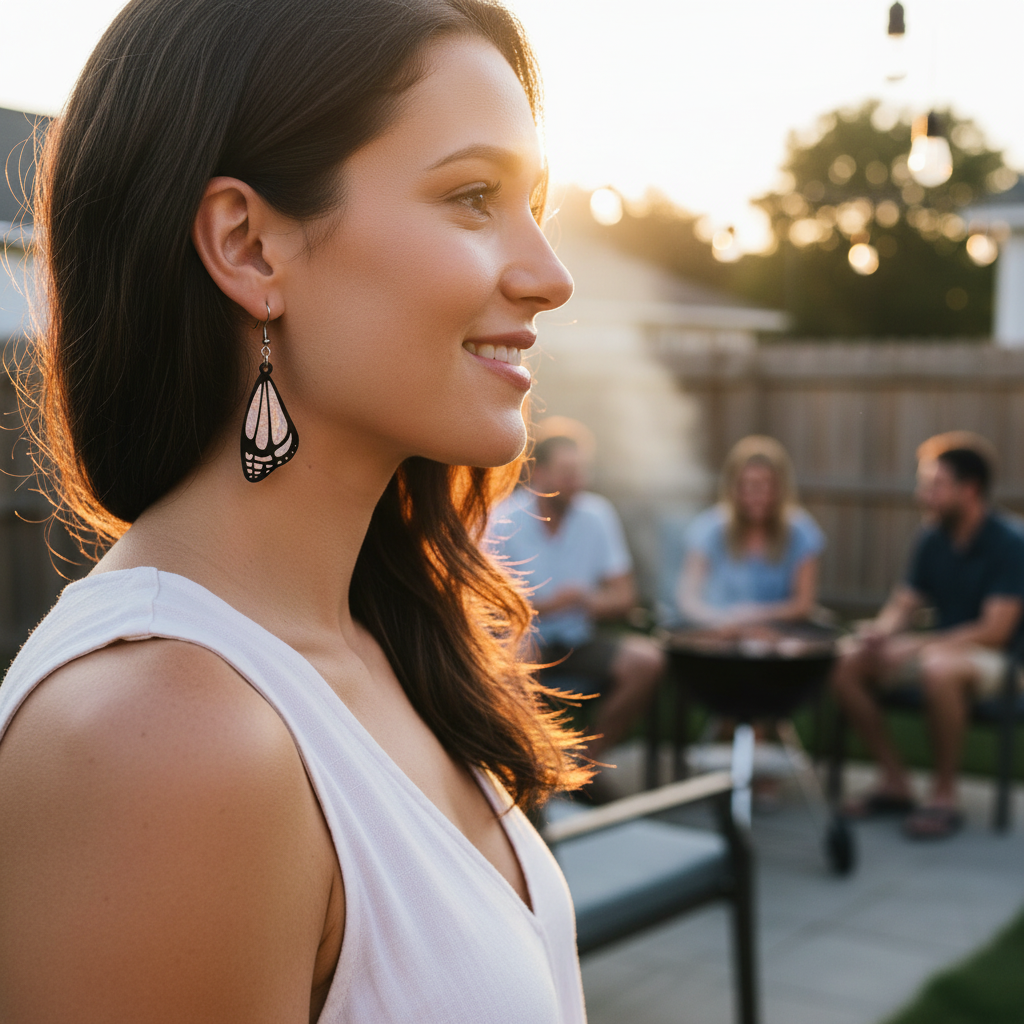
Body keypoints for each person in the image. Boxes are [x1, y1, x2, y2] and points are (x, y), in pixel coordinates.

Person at [0, 2, 589, 1021]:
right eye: (472, 195)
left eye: (530, 201)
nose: (549, 275)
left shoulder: (370, 638)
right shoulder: (161, 739)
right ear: (250, 247)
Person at [832, 436, 1024, 840]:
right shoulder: (932, 537)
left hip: (1002, 661)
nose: (923, 495)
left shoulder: (1010, 543)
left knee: (939, 669)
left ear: (969, 489)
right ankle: (895, 781)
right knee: (845, 662)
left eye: (935, 485)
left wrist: (918, 645)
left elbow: (994, 631)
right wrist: (878, 635)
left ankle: (943, 794)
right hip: (942, 649)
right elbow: (903, 606)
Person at [489, 424, 665, 788]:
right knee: (520, 649)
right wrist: (551, 605)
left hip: (579, 638)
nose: (577, 481)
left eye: (581, 472)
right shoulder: (502, 518)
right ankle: (530, 766)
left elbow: (624, 596)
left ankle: (585, 768)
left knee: (648, 660)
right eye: (568, 473)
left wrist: (585, 601)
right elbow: (488, 603)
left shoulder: (597, 515)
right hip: (525, 639)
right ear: (540, 474)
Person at [678, 435, 825, 628]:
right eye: (747, 485)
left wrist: (756, 616)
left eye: (766, 484)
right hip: (721, 633)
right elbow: (688, 601)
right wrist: (721, 621)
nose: (757, 495)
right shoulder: (708, 529)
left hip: (781, 637)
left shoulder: (801, 531)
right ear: (733, 487)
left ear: (781, 488)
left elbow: (804, 604)